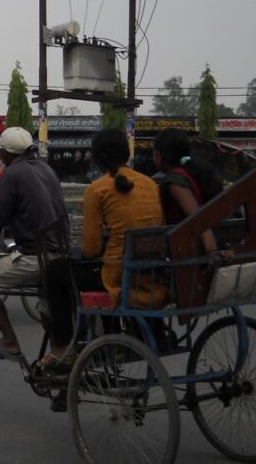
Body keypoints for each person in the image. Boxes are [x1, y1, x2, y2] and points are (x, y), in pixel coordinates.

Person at [39, 128, 165, 370]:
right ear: (126, 153)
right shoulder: (149, 183)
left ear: (95, 159)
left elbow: (90, 248)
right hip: (149, 270)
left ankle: (63, 346)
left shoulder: (97, 189)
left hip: (118, 273)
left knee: (56, 271)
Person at [0, 126, 69, 361]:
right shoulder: (46, 169)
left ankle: (10, 342)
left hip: (35, 256)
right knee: (48, 306)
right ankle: (60, 353)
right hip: (61, 252)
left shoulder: (12, 174)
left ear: (6, 154)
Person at [153, 128, 229, 259]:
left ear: (159, 156)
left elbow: (197, 216)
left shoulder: (175, 181)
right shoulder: (193, 171)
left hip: (188, 252)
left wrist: (212, 250)